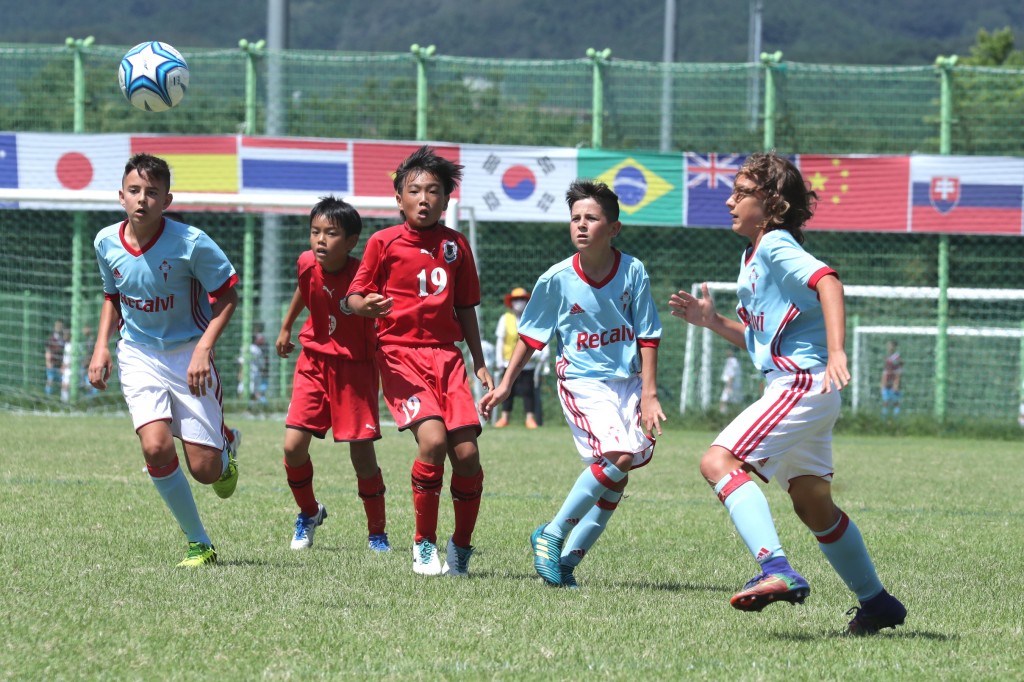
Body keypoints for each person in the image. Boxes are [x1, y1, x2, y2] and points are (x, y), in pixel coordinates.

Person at [667, 152, 906, 635]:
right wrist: (712, 322)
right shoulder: (753, 253)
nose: (730, 200)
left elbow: (829, 282)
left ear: (772, 203)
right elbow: (761, 342)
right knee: (812, 503)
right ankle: (877, 603)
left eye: (741, 192)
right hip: (803, 386)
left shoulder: (775, 243)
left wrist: (837, 351)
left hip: (801, 383)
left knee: (718, 462)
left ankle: (776, 569)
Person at [480, 179, 665, 588]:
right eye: (575, 218)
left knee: (621, 472)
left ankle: (566, 563)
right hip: (582, 381)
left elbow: (648, 333)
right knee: (617, 457)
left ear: (613, 228)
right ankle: (552, 533)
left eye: (591, 218)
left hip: (628, 383)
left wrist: (648, 394)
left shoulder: (633, 270)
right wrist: (507, 384)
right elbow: (531, 337)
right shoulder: (556, 279)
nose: (581, 225)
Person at [88, 153, 240, 568]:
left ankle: (224, 444)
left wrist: (204, 350)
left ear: (167, 200)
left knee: (206, 471)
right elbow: (112, 296)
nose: (142, 200)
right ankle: (199, 543)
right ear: (121, 196)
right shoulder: (105, 241)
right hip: (137, 354)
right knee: (155, 447)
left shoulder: (191, 243)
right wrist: (102, 346)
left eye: (152, 192)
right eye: (135, 191)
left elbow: (228, 296)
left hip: (189, 353)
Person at [346, 146, 492, 577]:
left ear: (447, 200)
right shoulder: (382, 243)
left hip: (447, 359)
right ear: (399, 199)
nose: (424, 199)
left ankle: (460, 547)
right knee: (432, 443)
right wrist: (363, 305)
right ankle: (423, 544)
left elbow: (466, 309)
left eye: (433, 191)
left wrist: (480, 362)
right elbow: (354, 295)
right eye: (414, 191)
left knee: (466, 454)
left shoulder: (456, 245)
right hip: (399, 357)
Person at [276, 196, 390, 553]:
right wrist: (286, 327)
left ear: (352, 241)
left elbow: (384, 313)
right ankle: (309, 513)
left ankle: (377, 533)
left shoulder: (364, 276)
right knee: (293, 447)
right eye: (315, 232)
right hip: (313, 363)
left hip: (355, 368)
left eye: (331, 233)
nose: (320, 240)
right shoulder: (307, 263)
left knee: (362, 456)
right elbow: (303, 287)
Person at [164, 210, 242, 461]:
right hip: (156, 346)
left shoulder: (194, 261)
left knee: (194, 404)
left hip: (193, 343)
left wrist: (206, 345)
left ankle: (225, 438)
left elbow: (221, 300)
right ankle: (162, 453)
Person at [494, 286, 541, 429]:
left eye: (521, 299)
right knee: (507, 389)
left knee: (528, 391)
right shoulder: (505, 318)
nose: (519, 302)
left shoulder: (532, 318)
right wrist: (499, 360)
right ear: (511, 302)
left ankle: (530, 418)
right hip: (508, 362)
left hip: (528, 363)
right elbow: (500, 340)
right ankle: (504, 417)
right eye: (516, 300)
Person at [880, 339, 902, 419]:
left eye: (891, 345)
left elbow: (899, 371)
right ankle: (884, 420)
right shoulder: (887, 357)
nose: (889, 347)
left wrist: (896, 383)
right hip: (886, 383)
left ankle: (896, 420)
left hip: (894, 383)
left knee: (896, 402)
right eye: (888, 345)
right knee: (885, 402)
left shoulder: (897, 358)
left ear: (894, 347)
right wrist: (882, 383)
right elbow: (885, 371)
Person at [719, 347, 743, 414]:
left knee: (723, 400)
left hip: (731, 385)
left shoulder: (732, 361)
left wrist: (729, 386)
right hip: (735, 385)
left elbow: (731, 374)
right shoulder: (736, 360)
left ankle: (723, 415)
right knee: (735, 402)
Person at [44, 319, 64, 396]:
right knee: (50, 381)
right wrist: (48, 362)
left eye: (60, 326)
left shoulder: (63, 339)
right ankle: (47, 397)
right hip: (52, 364)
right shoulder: (51, 338)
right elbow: (47, 350)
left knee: (62, 383)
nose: (58, 327)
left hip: (61, 365)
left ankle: (61, 399)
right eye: (57, 326)